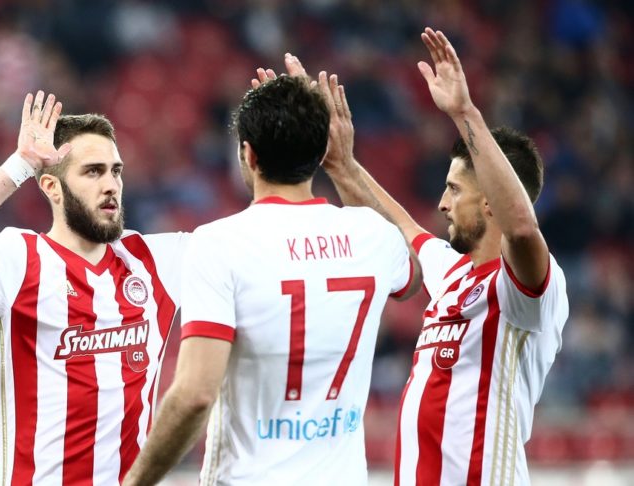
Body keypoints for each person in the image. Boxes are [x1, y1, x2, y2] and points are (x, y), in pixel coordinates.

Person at [122, 64, 422, 485]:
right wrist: (344, 166)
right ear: (322, 151)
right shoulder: (374, 235)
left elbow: (194, 395)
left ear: (248, 154)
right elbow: (413, 274)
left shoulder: (220, 243)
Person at [319, 28, 569, 485]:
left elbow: (521, 227)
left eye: (454, 189)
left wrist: (464, 113)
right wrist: (342, 165)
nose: (442, 204)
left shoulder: (527, 292)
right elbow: (395, 226)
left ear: (490, 199)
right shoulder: (454, 272)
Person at [0, 91, 187, 484]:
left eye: (115, 171)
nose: (111, 185)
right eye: (93, 172)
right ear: (52, 187)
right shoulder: (18, 259)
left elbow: (257, 239)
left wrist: (290, 145)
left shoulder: (155, 260)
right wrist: (20, 165)